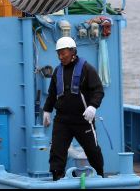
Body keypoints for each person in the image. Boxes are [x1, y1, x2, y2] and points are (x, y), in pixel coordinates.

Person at [43, 36, 105, 180]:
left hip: (83, 119)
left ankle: (100, 176)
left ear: (72, 52)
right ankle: (57, 178)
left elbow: (98, 90)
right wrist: (47, 111)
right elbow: (52, 94)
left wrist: (93, 106)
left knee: (92, 150)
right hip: (62, 120)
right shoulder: (57, 71)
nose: (60, 56)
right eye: (58, 53)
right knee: (57, 151)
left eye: (63, 53)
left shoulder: (86, 68)